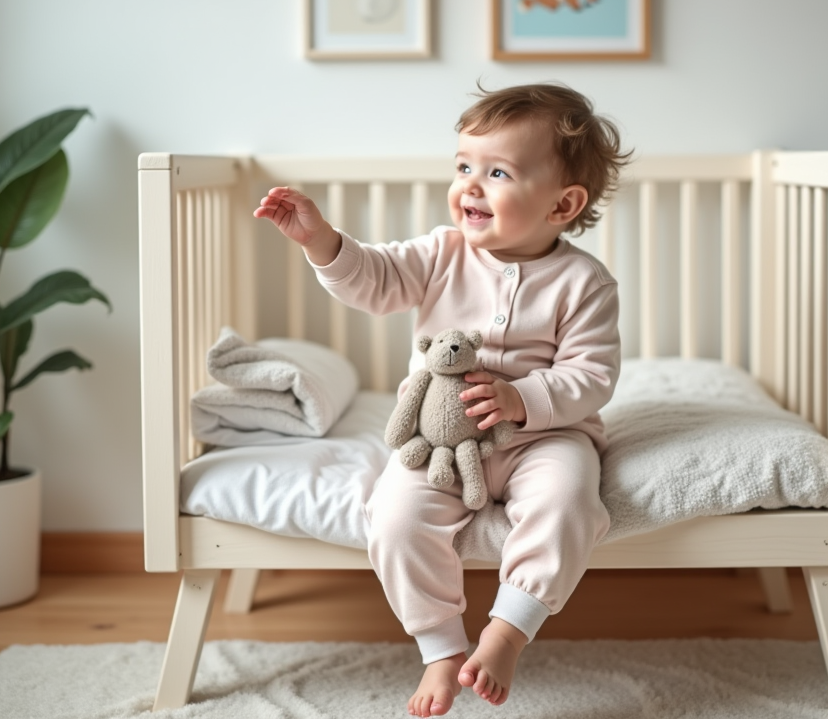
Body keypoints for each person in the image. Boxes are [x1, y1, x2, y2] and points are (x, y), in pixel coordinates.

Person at [254, 82, 628, 717]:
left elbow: (592, 375)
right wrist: (322, 241)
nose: (470, 187)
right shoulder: (440, 253)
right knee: (394, 517)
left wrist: (521, 397)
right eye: (463, 167)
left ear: (563, 203)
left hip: (544, 438)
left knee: (570, 501)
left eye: (497, 172)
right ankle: (440, 647)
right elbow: (372, 280)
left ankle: (508, 630)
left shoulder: (584, 282)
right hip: (440, 443)